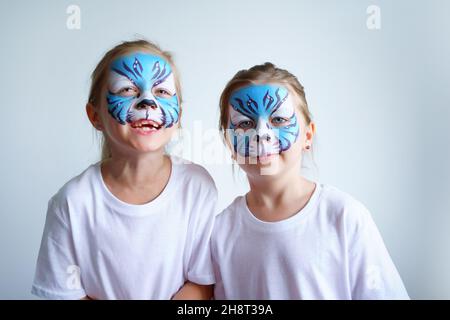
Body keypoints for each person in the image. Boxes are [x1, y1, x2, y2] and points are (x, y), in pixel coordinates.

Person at [32, 40, 216, 300]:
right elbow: (64, 295)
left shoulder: (197, 186)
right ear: (95, 116)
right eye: (128, 89)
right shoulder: (71, 203)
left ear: (179, 115)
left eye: (162, 92)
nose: (147, 102)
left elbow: (202, 284)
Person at [211, 62, 409, 299]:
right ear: (228, 144)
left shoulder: (344, 217)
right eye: (245, 123)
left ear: (307, 135)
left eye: (278, 120)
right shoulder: (219, 232)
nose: (262, 133)